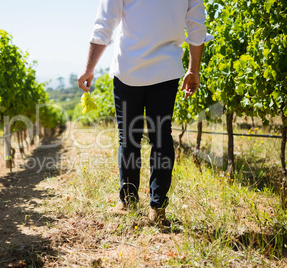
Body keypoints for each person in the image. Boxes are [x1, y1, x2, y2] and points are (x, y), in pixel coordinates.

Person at [78, 0, 213, 226]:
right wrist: (193, 69)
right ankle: (157, 207)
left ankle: (128, 202)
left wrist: (89, 68)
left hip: (127, 69)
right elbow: (196, 24)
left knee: (129, 139)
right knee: (161, 138)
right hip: (166, 70)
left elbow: (104, 23)